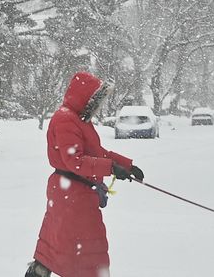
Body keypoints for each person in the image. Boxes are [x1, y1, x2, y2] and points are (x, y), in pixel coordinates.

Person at [26, 71, 143, 277]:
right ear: (86, 98)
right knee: (83, 253)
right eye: (97, 100)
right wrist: (110, 168)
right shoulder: (65, 119)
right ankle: (40, 271)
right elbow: (75, 160)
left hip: (74, 195)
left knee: (63, 247)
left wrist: (126, 165)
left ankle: (39, 271)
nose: (99, 106)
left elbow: (98, 153)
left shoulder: (78, 120)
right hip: (71, 196)